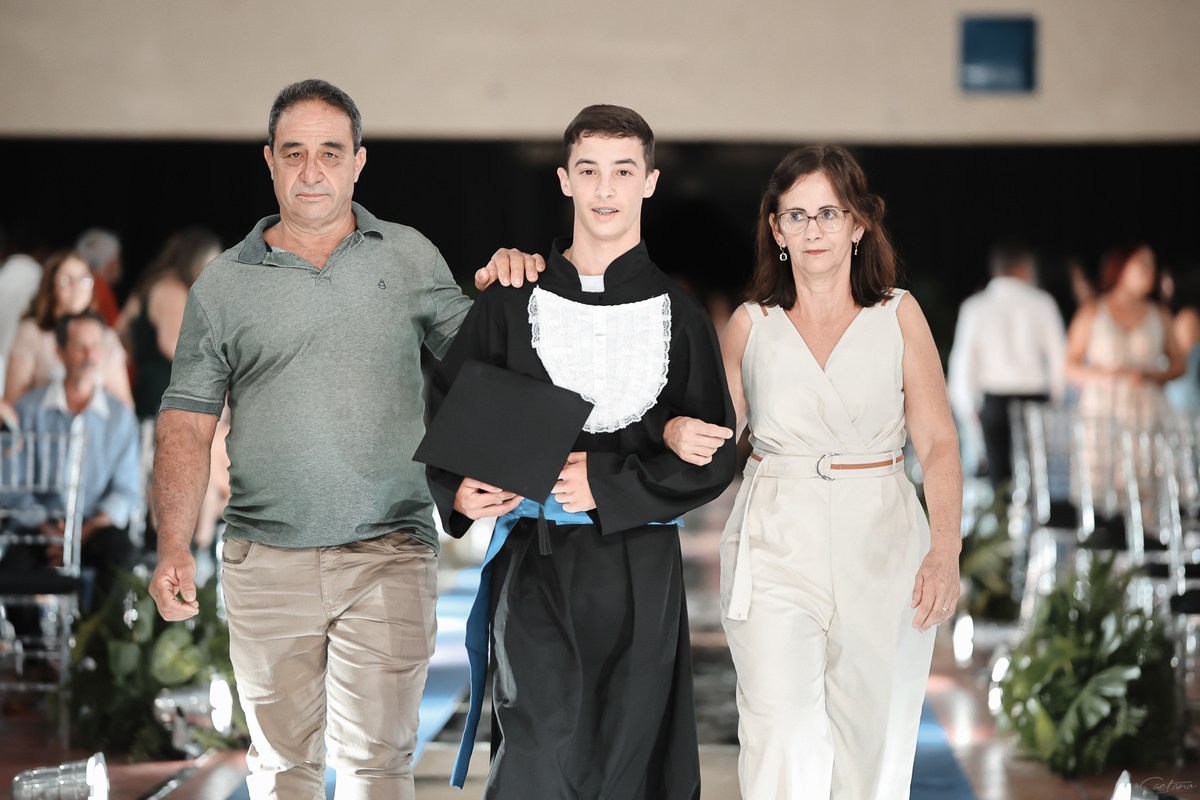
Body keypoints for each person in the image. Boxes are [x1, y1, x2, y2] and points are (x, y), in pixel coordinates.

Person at [144, 79, 549, 800]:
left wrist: (511, 290)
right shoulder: (223, 284)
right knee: (281, 768)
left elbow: (485, 367)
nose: (312, 170)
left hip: (389, 550)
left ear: (359, 162)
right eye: (294, 152)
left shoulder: (408, 256)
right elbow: (186, 422)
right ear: (269, 160)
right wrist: (174, 544)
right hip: (265, 558)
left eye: (330, 152)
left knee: (377, 765)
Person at [426, 104, 736, 800]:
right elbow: (450, 408)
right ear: (565, 180)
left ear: (649, 182)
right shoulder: (511, 302)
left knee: (627, 765)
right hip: (531, 560)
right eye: (589, 170)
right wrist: (457, 490)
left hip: (639, 568)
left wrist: (609, 483)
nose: (605, 189)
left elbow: (715, 457)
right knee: (534, 756)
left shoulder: (680, 316)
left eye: (623, 171)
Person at [669, 145, 962, 799]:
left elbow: (939, 442)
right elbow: (711, 436)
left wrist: (945, 550)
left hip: (883, 539)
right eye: (796, 215)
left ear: (858, 224)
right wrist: (671, 431)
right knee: (780, 731)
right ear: (776, 230)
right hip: (776, 538)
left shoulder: (898, 315)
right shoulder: (751, 325)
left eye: (829, 213)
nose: (813, 230)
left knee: (871, 743)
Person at [0, 311, 140, 606]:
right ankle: (29, 638)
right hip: (40, 528)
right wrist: (49, 531)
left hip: (94, 528)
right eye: (80, 346)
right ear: (60, 352)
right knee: (13, 565)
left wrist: (81, 534)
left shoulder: (121, 418)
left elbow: (127, 490)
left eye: (96, 346)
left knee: (121, 553)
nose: (90, 356)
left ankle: (97, 634)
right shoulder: (27, 409)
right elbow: (12, 485)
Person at [946, 240, 1066, 486]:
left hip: (994, 402)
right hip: (1035, 399)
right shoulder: (1043, 303)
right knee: (1035, 479)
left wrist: (968, 407)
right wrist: (1055, 398)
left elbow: (963, 361)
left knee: (998, 480)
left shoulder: (975, 307)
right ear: (1023, 268)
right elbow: (1058, 356)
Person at [1065, 243, 1185, 428]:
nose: (1150, 270)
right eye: (1143, 263)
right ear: (1121, 266)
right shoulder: (1093, 310)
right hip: (1102, 410)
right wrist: (1104, 375)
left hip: (1148, 410)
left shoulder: (1160, 314)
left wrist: (1150, 376)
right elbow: (1068, 365)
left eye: (1152, 264)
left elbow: (1179, 364)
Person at [4, 250, 133, 409]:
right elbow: (13, 403)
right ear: (51, 286)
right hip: (41, 422)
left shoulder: (107, 337)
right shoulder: (31, 333)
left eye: (84, 279)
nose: (77, 287)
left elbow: (124, 406)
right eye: (67, 280)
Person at [116, 227, 223, 419]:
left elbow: (120, 330)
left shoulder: (152, 283)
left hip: (152, 390)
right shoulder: (172, 288)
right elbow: (172, 344)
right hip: (165, 396)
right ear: (196, 260)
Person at [75, 228, 123, 327]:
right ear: (109, 261)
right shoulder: (101, 289)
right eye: (117, 256)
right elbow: (116, 328)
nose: (120, 263)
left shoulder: (82, 284)